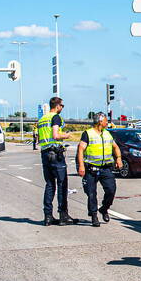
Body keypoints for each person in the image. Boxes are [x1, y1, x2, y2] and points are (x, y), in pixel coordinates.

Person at [76, 112, 123, 227]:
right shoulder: (88, 134)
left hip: (106, 169)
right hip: (91, 169)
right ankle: (94, 216)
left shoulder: (107, 134)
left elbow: (115, 147)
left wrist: (119, 159)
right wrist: (81, 166)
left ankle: (104, 208)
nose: (107, 123)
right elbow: (81, 149)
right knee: (91, 194)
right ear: (100, 122)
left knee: (111, 190)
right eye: (106, 121)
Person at [37, 97, 73, 226]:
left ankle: (48, 216)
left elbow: (40, 138)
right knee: (62, 184)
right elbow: (56, 135)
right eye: (62, 106)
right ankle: (63, 215)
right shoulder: (55, 117)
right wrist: (67, 135)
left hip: (45, 153)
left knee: (50, 185)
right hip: (56, 154)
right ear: (57, 106)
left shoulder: (42, 119)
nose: (62, 108)